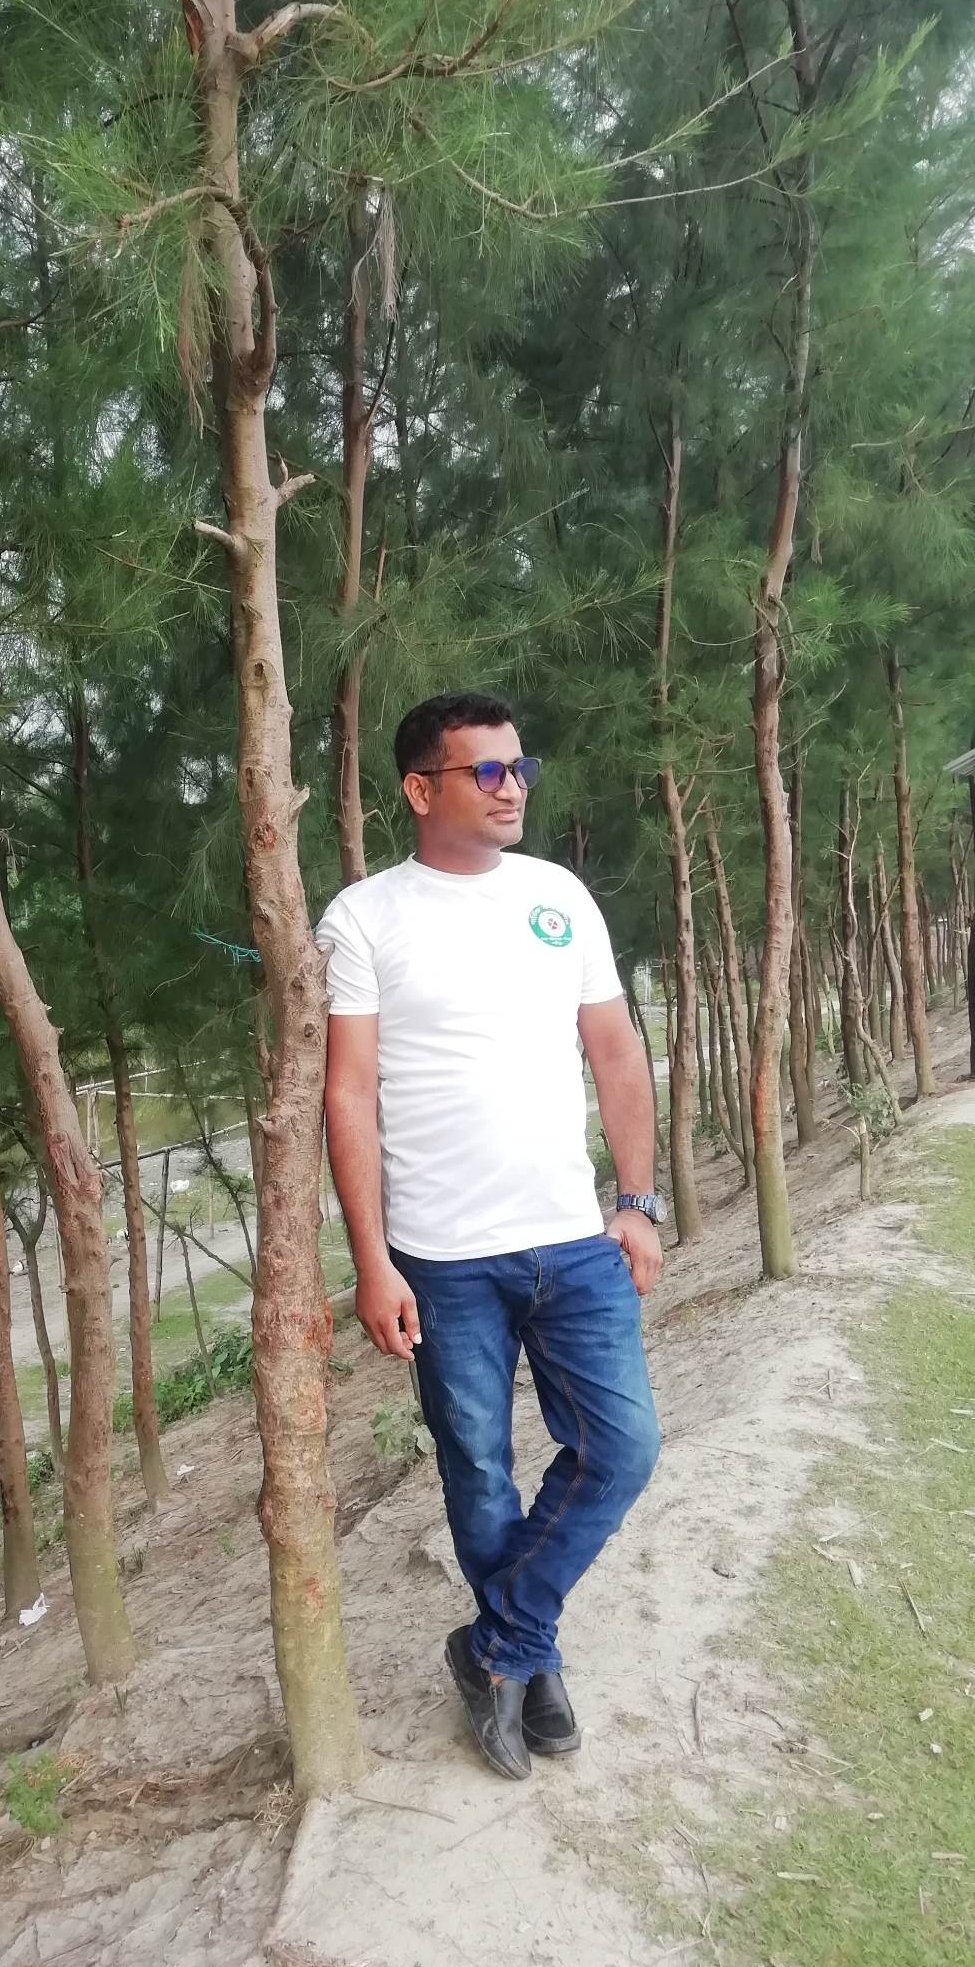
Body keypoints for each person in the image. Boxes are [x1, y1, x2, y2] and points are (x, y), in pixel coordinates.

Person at [318, 691, 664, 1781]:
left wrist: (639, 1202)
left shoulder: (559, 897)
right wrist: (371, 1260)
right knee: (477, 1469)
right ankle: (531, 1662)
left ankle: (502, 1643)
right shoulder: (364, 917)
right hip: (442, 1256)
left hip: (572, 1237)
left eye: (521, 768)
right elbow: (348, 1091)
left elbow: (615, 1052)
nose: (514, 787)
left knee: (622, 1447)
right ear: (421, 790)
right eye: (488, 772)